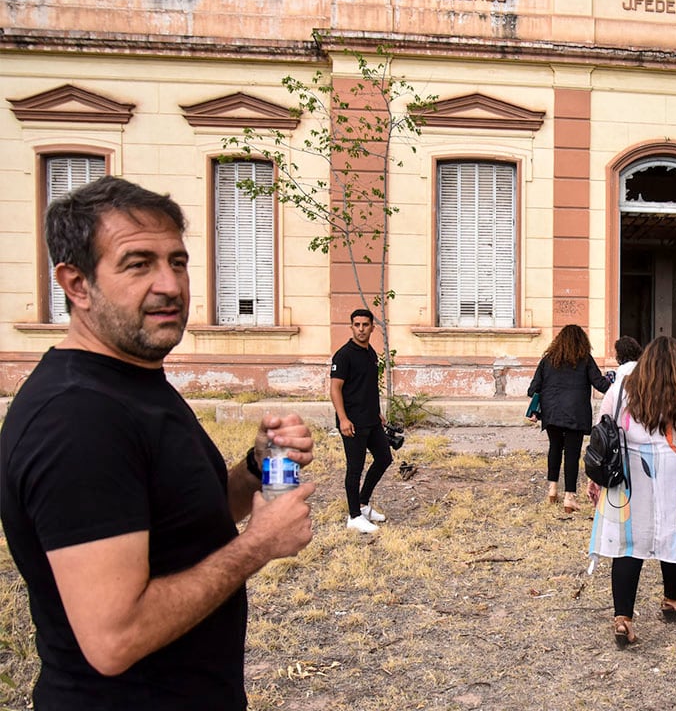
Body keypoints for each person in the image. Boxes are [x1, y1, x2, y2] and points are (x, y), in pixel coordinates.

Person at [0, 176, 316, 710]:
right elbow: (114, 639)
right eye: (138, 264)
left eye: (178, 261)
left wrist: (256, 465)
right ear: (76, 284)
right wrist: (258, 545)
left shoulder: (133, 383)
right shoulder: (77, 419)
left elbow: (191, 517)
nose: (170, 285)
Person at [585, 336, 676, 649]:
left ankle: (623, 618)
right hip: (675, 471)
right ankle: (673, 599)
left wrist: (596, 477)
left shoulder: (621, 388)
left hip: (627, 473)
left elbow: (603, 430)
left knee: (628, 542)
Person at [527, 324, 611, 512]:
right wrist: (617, 383)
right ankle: (569, 497)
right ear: (582, 341)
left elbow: (533, 388)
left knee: (554, 447)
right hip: (576, 412)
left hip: (552, 411)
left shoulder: (549, 360)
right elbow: (600, 384)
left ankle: (552, 488)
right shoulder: (585, 360)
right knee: (572, 453)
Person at [331, 308, 392, 534]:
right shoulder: (344, 355)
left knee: (384, 458)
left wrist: (377, 412)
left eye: (365, 325)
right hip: (352, 423)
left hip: (371, 420)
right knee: (354, 468)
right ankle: (354, 516)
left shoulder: (370, 353)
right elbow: (335, 389)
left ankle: (363, 503)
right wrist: (343, 419)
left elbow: (368, 387)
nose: (361, 329)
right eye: (356, 325)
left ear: (372, 328)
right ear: (351, 327)